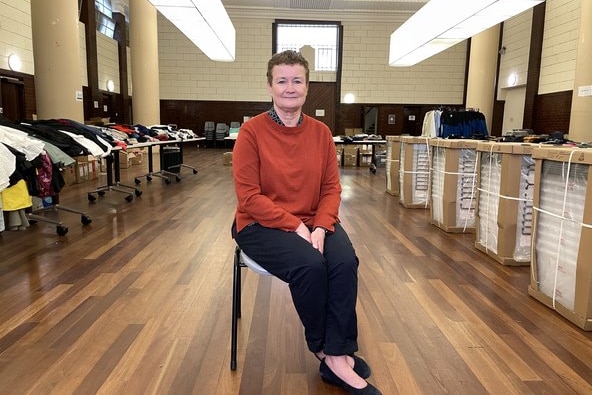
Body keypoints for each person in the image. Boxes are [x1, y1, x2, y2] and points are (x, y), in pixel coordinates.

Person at [231, 50, 381, 395]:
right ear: (269, 86)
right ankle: (327, 352)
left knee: (344, 262)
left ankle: (339, 351)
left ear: (307, 86)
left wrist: (320, 225)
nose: (289, 88)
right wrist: (295, 227)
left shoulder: (321, 132)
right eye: (282, 80)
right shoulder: (251, 133)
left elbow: (331, 187)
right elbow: (249, 198)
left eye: (297, 81)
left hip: (315, 218)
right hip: (259, 223)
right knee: (311, 265)